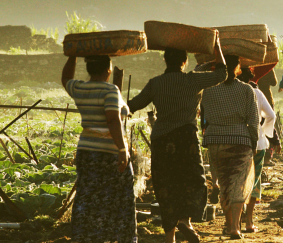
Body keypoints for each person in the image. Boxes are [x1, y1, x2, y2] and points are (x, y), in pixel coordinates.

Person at [129, 48, 227, 243]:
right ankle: (185, 220)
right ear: (184, 61)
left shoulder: (155, 83)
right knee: (192, 182)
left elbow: (133, 105)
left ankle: (170, 237)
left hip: (162, 141)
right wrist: (216, 46)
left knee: (166, 186)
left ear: (165, 60)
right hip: (186, 140)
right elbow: (222, 74)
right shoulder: (194, 80)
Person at [61, 55, 136, 243]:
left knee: (88, 193)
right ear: (108, 71)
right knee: (120, 194)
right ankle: (117, 236)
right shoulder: (110, 90)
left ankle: (86, 236)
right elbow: (112, 119)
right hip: (108, 152)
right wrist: (122, 149)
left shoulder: (79, 87)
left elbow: (65, 79)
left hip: (86, 150)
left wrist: (72, 56)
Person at [202, 55, 259, 240]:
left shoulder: (208, 91)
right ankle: (235, 227)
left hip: (215, 141)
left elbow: (203, 118)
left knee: (225, 183)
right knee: (239, 185)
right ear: (238, 69)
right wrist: (254, 143)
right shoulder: (247, 90)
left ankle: (229, 225)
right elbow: (253, 120)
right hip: (241, 141)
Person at [240, 74, 276, 234]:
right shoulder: (257, 92)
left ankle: (232, 222)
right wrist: (264, 131)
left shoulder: (229, 90)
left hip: (236, 142)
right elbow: (271, 115)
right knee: (253, 182)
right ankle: (249, 222)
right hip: (257, 144)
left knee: (236, 180)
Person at [256, 69, 282, 166]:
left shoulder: (251, 67)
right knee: (269, 126)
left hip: (252, 97)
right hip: (267, 98)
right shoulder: (268, 68)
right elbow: (274, 82)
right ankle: (267, 158)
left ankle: (257, 155)